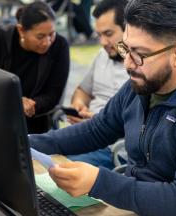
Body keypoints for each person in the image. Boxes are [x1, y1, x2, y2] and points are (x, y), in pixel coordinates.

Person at [29, 0, 176, 215]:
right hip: (141, 206)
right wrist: (23, 141)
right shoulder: (143, 82)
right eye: (125, 48)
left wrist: (98, 182)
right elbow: (96, 130)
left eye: (140, 54)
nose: (127, 63)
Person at [0, 1, 69, 134]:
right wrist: (14, 101)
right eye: (40, 36)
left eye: (51, 34)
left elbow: (53, 95)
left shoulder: (59, 46)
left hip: (32, 123)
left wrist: (31, 105)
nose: (47, 42)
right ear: (21, 30)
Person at [64, 0, 129, 169]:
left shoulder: (144, 70)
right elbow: (82, 91)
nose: (103, 42)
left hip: (113, 148)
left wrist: (98, 123)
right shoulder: (103, 55)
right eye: (99, 35)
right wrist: (78, 105)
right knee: (35, 152)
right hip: (86, 135)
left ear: (129, 29)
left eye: (108, 34)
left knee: (59, 169)